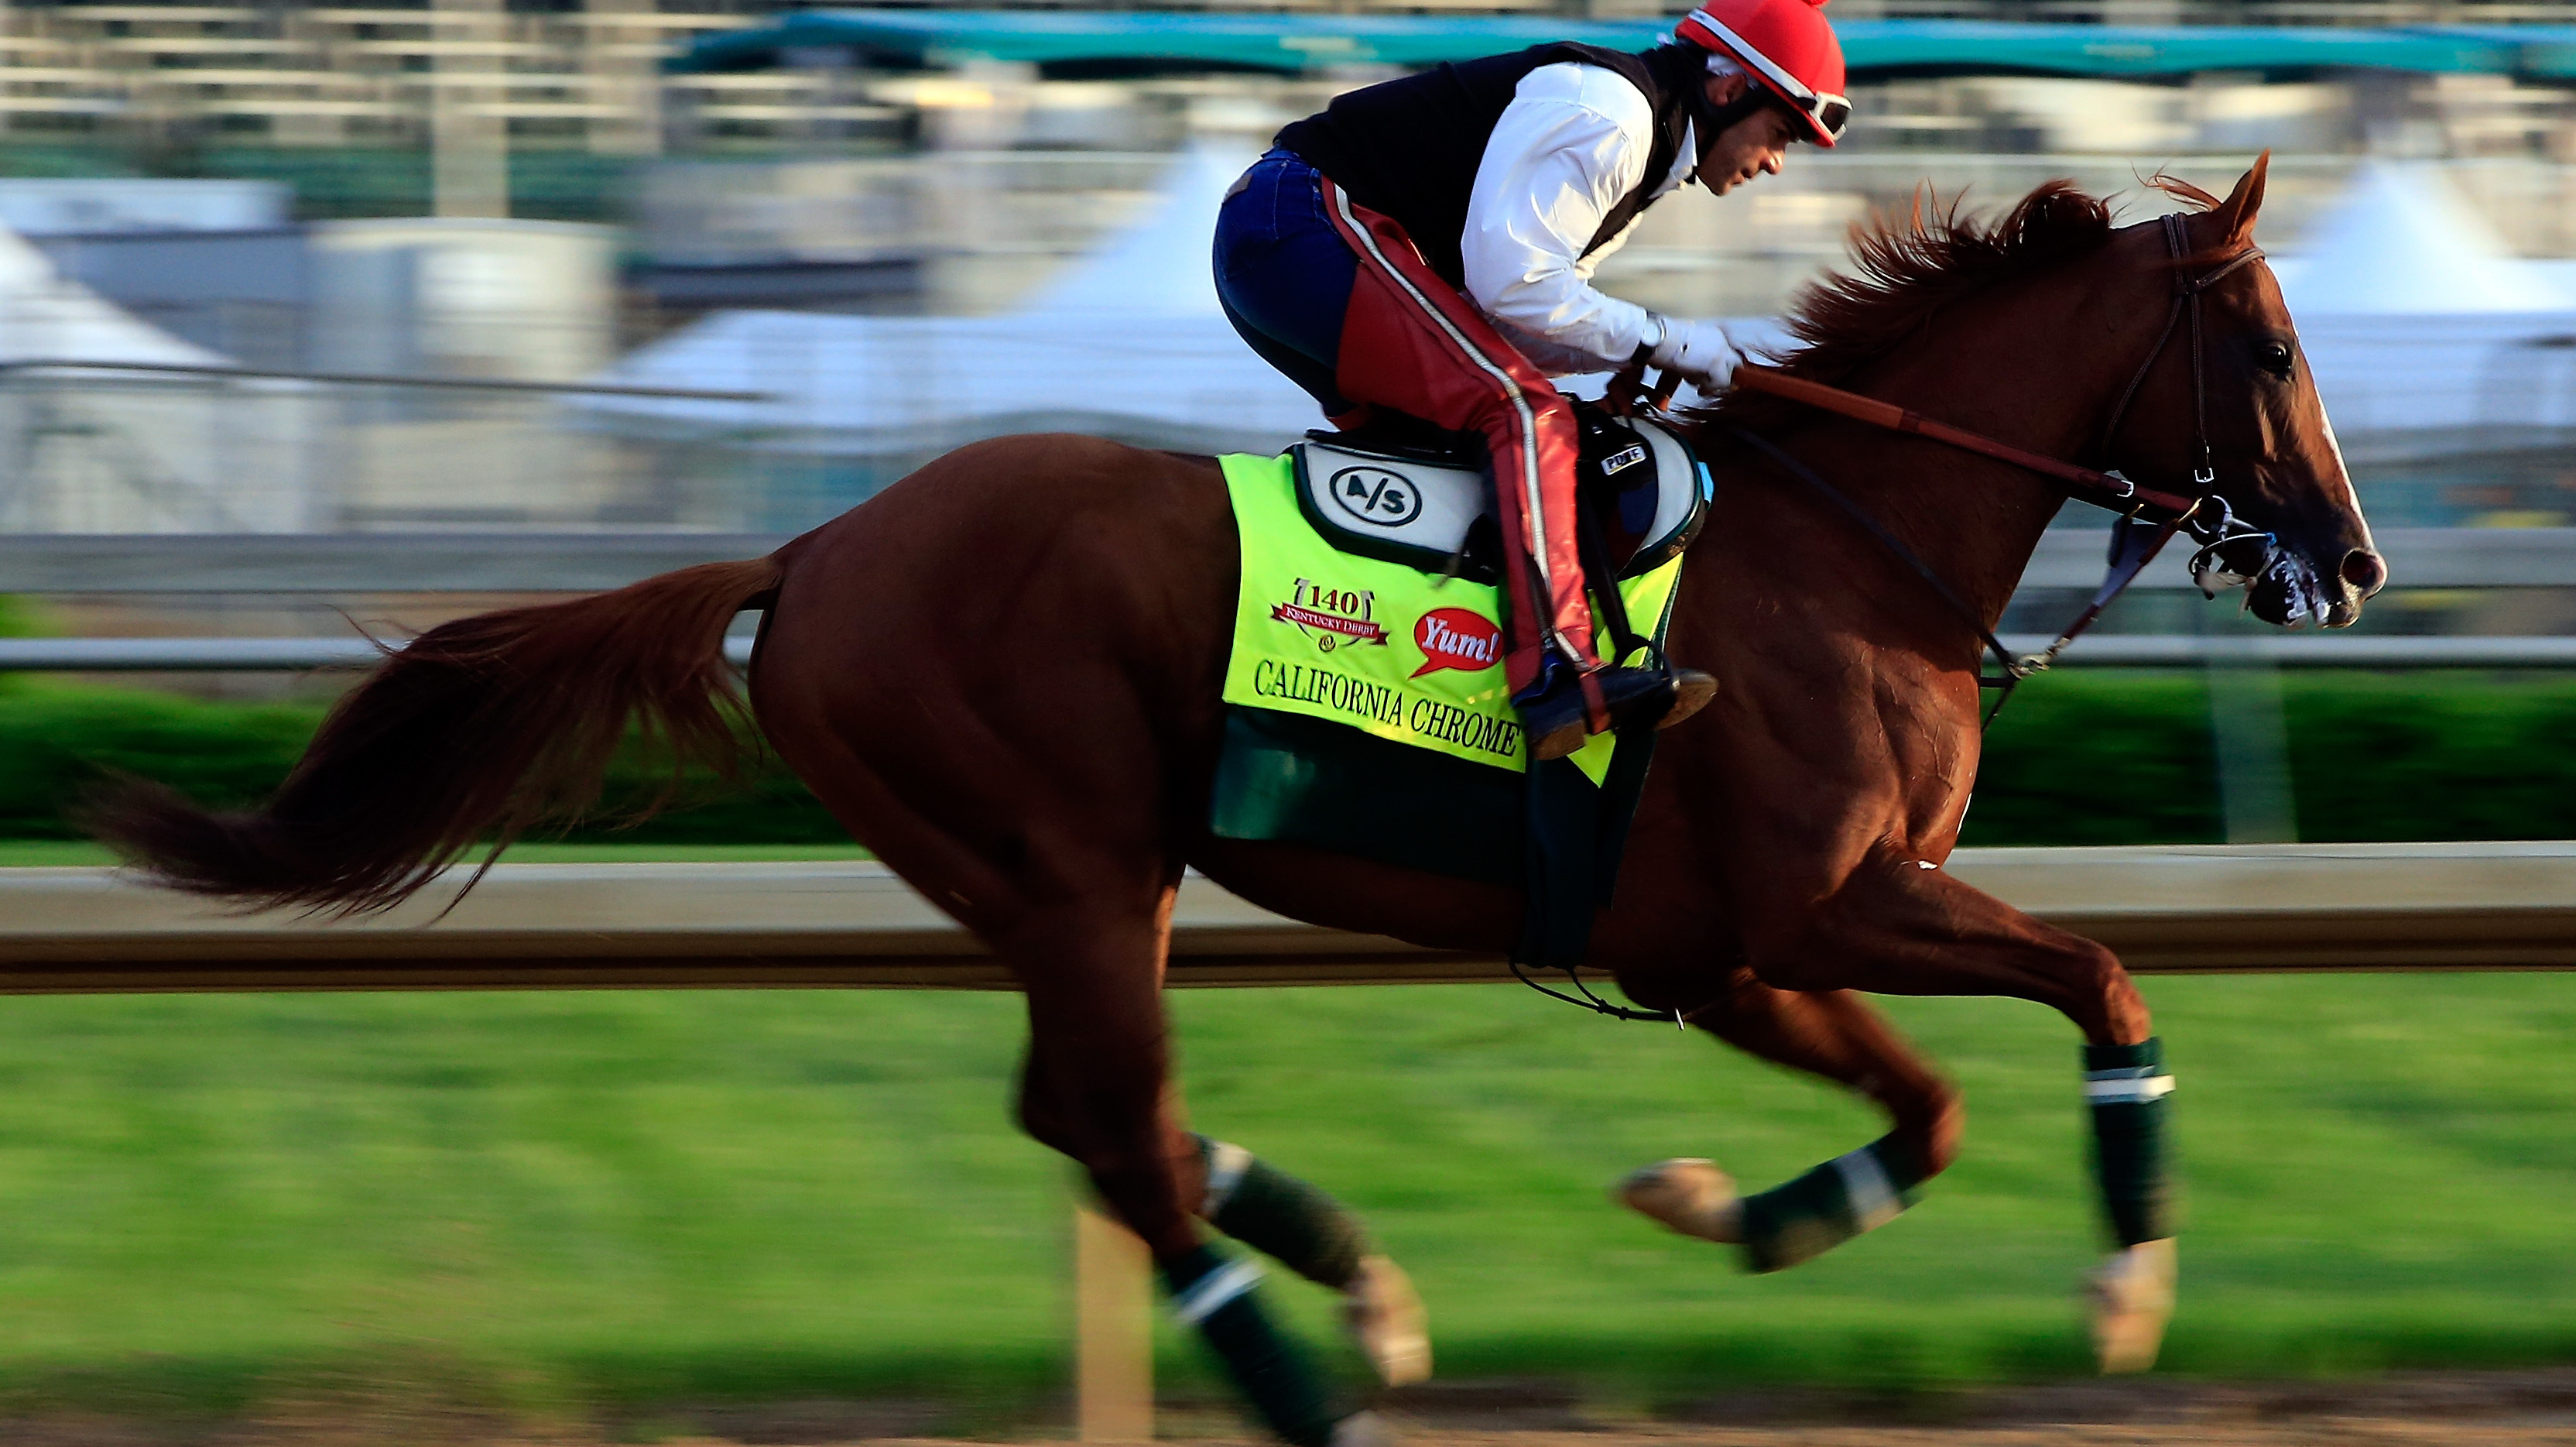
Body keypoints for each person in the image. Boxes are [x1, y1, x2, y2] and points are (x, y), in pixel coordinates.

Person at [1214, 0, 1848, 761]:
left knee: (1482, 436)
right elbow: (1514, 291)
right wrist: (1663, 338)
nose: (1775, 161)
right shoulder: (1611, 116)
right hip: (1302, 223)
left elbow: (1513, 326)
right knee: (1520, 413)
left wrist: (1634, 355)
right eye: (1779, 133)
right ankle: (1558, 673)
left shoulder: (1640, 149)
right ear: (1727, 90)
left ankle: (1389, 695)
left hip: (1289, 240)